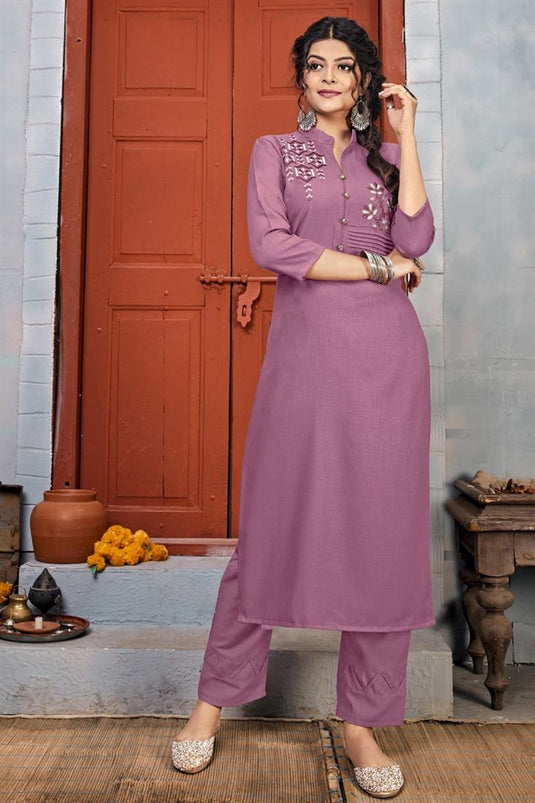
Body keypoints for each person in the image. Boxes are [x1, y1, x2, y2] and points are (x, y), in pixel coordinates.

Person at [171, 15, 436, 799]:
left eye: (343, 66)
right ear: (302, 78)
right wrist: (377, 268)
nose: (327, 77)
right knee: (272, 524)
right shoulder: (273, 151)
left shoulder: (386, 157)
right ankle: (210, 704)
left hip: (387, 363)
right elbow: (272, 244)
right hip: (305, 360)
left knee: (383, 538)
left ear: (363, 81)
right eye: (315, 64)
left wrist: (406, 135)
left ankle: (361, 723)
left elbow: (417, 236)